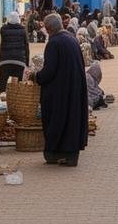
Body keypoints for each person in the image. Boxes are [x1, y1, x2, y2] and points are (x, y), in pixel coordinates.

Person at [33, 14, 89, 166]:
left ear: (49, 28)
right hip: (73, 88)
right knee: (72, 119)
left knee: (56, 120)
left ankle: (55, 153)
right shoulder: (71, 39)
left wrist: (36, 76)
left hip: (60, 92)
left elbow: (49, 71)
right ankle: (70, 155)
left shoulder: (54, 43)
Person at [0, 11, 29, 92]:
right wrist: (27, 63)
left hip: (5, 61)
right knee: (19, 84)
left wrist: (0, 63)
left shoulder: (3, 29)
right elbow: (26, 47)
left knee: (3, 81)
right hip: (20, 61)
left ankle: (1, 95)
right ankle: (17, 96)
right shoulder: (23, 30)